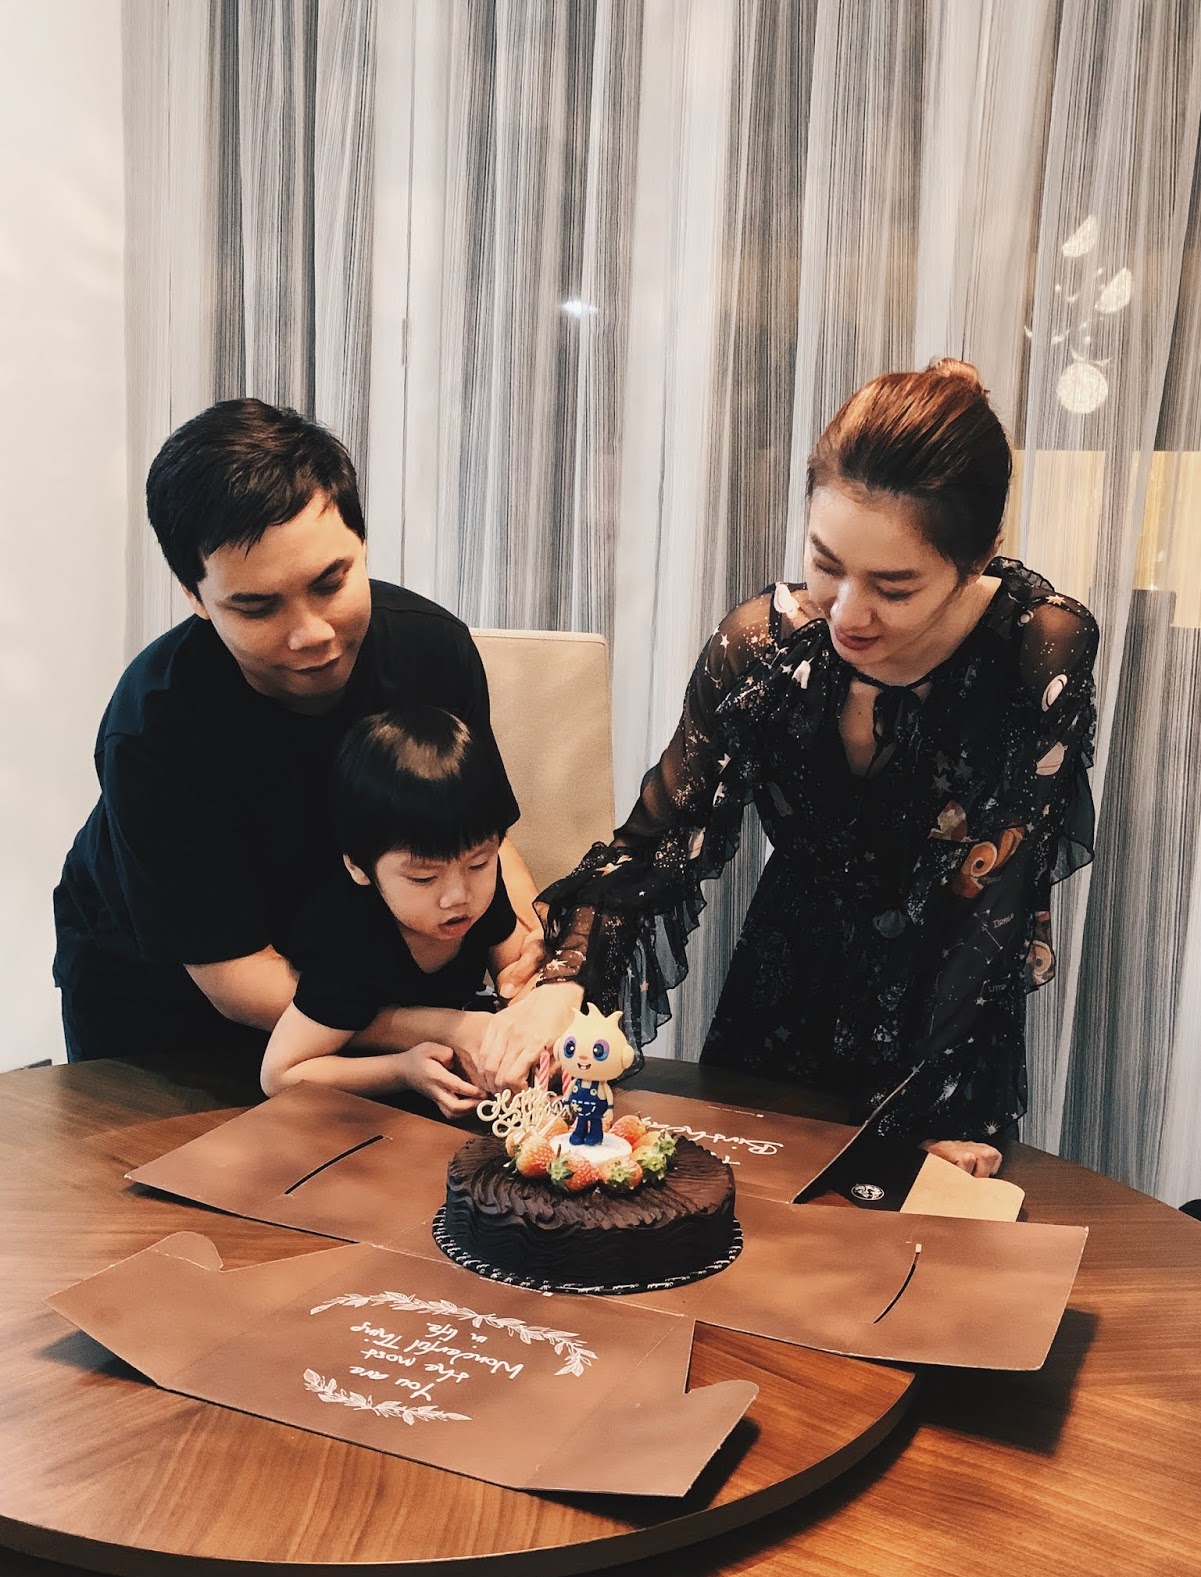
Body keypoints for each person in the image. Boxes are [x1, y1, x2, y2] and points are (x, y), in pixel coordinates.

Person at [480, 360, 1098, 1177]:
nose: (846, 612)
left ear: (980, 555)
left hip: (944, 1014)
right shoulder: (765, 650)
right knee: (747, 1221)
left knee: (915, 1242)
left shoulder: (1036, 651)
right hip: (783, 987)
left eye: (893, 587)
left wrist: (924, 1112)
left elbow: (997, 897)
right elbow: (658, 841)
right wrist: (566, 980)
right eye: (826, 562)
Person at [54, 398, 541, 1073]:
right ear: (195, 597)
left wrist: (528, 982)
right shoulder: (154, 726)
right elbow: (235, 979)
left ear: (361, 546)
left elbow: (481, 836)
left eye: (331, 583)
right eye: (257, 608)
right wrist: (444, 1028)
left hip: (362, 982)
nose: (311, 634)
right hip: (167, 1004)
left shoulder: (433, 654)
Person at [261, 708, 527, 1114]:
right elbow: (280, 1073)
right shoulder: (350, 941)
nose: (457, 896)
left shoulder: (480, 896)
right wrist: (402, 1070)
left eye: (479, 863)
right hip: (345, 1105)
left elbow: (517, 975)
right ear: (359, 867)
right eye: (424, 878)